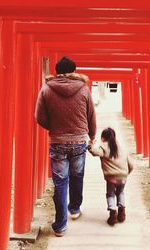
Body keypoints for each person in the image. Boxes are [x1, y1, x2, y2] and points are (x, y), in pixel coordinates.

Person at [35, 56, 96, 237]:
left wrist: (53, 127)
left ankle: (60, 226)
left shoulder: (46, 89)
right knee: (77, 176)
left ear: (57, 71)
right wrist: (92, 136)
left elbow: (39, 116)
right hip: (79, 141)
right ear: (74, 70)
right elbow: (91, 115)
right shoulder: (84, 90)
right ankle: (75, 209)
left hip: (58, 142)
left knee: (60, 182)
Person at [88, 127, 134, 226]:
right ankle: (122, 212)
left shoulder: (104, 147)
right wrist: (126, 174)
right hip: (122, 177)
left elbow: (94, 152)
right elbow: (131, 164)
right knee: (121, 192)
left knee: (110, 194)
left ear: (103, 138)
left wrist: (90, 144)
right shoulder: (122, 148)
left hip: (111, 178)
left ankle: (112, 213)